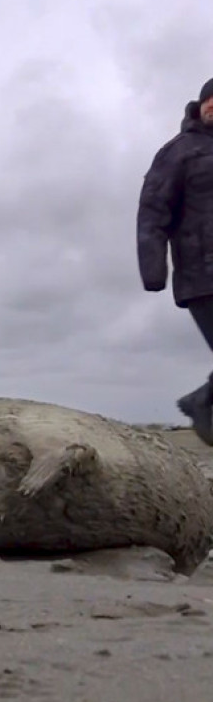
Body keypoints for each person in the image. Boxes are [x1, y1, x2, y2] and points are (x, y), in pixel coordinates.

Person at [138, 77, 213, 444]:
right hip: (202, 274)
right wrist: (153, 269)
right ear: (200, 106)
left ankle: (202, 399)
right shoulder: (179, 152)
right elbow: (153, 210)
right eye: (210, 100)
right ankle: (202, 400)